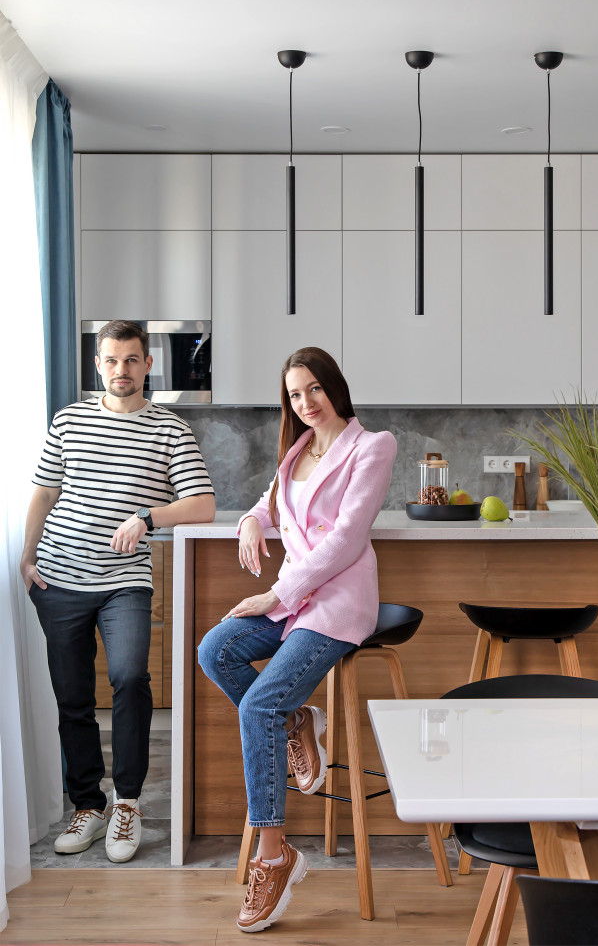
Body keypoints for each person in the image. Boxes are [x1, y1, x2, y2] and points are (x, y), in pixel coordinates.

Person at [197, 346, 397, 933]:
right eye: (293, 394)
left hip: (333, 603)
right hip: (292, 602)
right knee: (215, 650)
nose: (305, 403)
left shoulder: (372, 446)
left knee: (258, 702)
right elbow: (267, 506)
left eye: (313, 388)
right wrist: (251, 521)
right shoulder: (295, 453)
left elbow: (344, 541)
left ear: (333, 385)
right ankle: (296, 722)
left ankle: (274, 854)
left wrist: (274, 596)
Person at [21, 320, 215, 863]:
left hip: (124, 582)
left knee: (130, 676)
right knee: (74, 696)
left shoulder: (170, 430)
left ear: (147, 364)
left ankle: (127, 802)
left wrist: (147, 517)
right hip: (58, 577)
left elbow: (202, 504)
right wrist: (27, 555)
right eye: (111, 361)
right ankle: (88, 803)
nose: (120, 371)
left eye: (131, 360)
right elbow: (44, 493)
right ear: (98, 365)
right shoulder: (69, 421)